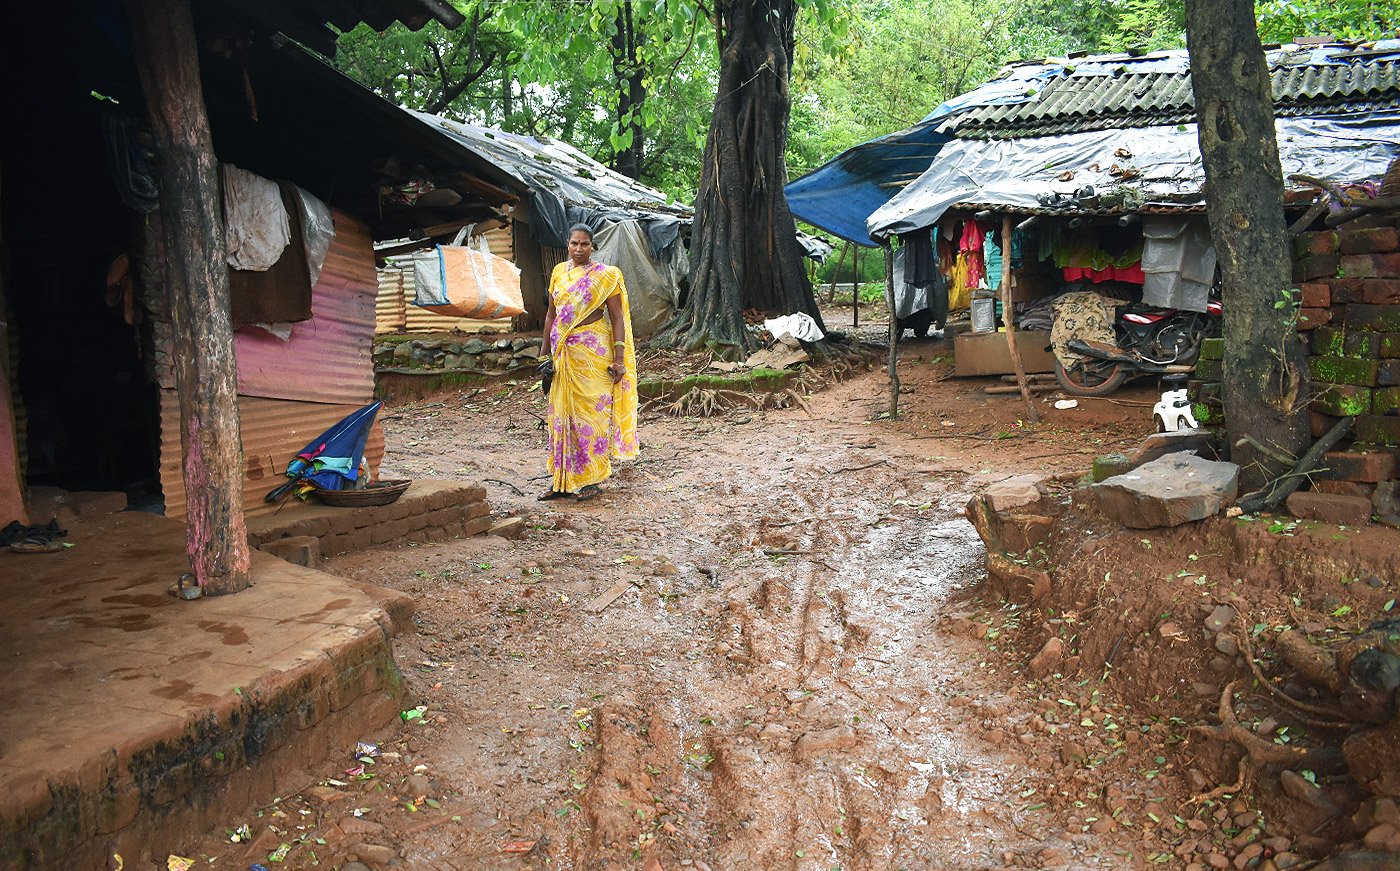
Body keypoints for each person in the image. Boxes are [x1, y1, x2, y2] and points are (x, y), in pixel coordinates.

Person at [538, 224, 639, 500]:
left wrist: (619, 360)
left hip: (593, 353)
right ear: (567, 245)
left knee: (592, 416)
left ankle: (591, 480)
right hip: (562, 354)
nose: (579, 249)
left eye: (584, 244)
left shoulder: (606, 276)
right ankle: (561, 482)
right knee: (561, 416)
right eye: (574, 243)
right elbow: (551, 315)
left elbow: (617, 318)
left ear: (592, 246)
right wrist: (544, 353)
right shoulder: (559, 272)